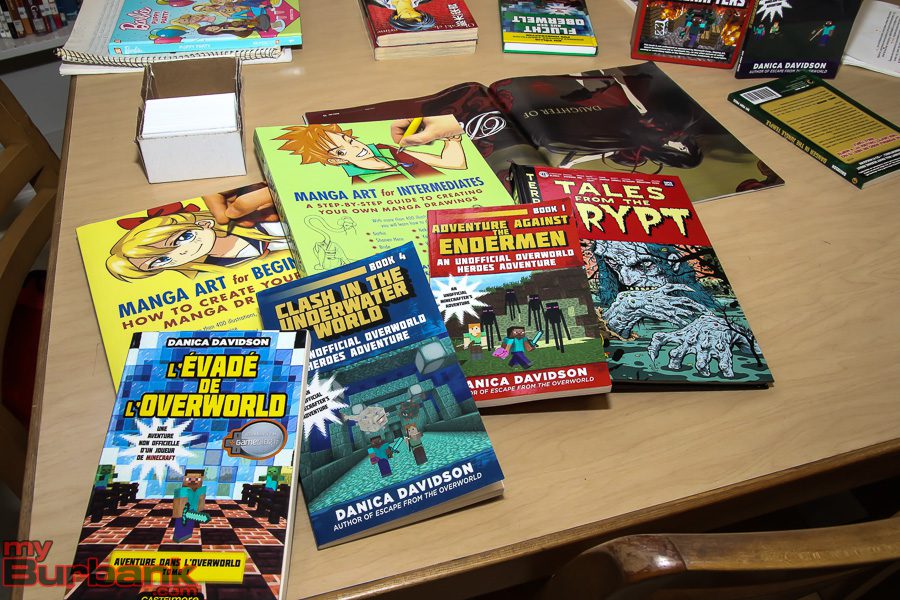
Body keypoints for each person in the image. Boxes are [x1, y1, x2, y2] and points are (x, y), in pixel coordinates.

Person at [107, 192, 287, 281]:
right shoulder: (218, 275)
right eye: (160, 261)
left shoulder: (258, 216)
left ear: (203, 224)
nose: (180, 253)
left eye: (182, 238)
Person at [273, 117, 467, 184]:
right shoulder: (362, 182)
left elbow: (453, 163)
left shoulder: (386, 151)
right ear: (336, 161)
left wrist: (452, 137)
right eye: (341, 151)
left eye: (349, 140)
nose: (356, 147)